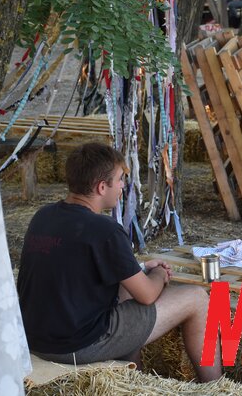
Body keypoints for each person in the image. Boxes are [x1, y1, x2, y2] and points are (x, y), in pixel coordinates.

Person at [16, 143, 222, 381]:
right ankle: (215, 386)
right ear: (102, 187)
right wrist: (159, 275)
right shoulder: (105, 230)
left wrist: (142, 269)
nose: (124, 186)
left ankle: (135, 382)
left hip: (37, 338)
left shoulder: (42, 217)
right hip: (77, 345)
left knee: (125, 291)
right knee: (197, 298)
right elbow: (146, 295)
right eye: (120, 179)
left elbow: (80, 270)